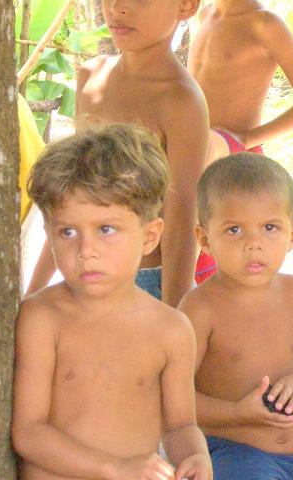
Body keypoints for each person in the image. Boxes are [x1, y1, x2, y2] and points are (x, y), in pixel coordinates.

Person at [12, 124, 212, 480]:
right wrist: (113, 468)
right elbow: (28, 432)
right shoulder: (42, 318)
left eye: (105, 229)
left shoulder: (171, 329)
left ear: (149, 236)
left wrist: (196, 456)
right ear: (49, 236)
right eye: (67, 231)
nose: (86, 250)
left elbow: (181, 425)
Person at [26, 0, 210, 305]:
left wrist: (175, 315)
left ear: (186, 5)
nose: (118, 7)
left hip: (147, 289)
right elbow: (70, 198)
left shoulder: (181, 100)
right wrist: (33, 292)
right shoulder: (91, 77)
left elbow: (181, 223)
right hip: (82, 278)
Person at [179, 153, 293, 480]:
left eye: (270, 228)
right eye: (234, 230)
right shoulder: (201, 307)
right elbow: (173, 399)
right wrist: (236, 413)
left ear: (292, 235)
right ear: (204, 239)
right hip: (231, 456)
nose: (254, 244)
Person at [188, 0, 293, 160]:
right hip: (192, 146)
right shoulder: (205, 14)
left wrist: (245, 139)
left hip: (233, 158)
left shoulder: (265, 24)